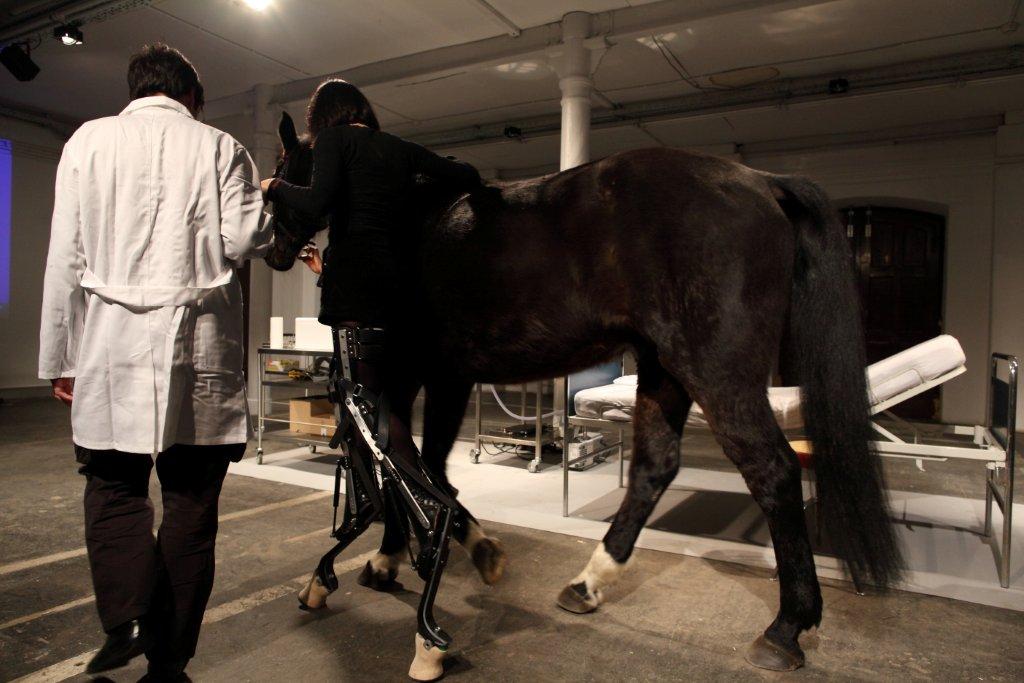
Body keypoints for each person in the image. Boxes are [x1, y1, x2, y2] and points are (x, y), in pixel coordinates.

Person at [38, 44, 272, 681]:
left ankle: (129, 618)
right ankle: (168, 665)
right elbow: (246, 239)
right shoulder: (221, 146)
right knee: (191, 504)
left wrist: (60, 357)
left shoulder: (87, 142)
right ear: (191, 96)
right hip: (200, 344)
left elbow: (65, 256)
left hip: (110, 344)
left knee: (113, 487)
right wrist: (265, 207)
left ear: (136, 89)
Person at [261, 79, 481, 468]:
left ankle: (430, 498)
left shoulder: (333, 140)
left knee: (365, 405)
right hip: (400, 294)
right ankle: (404, 494)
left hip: (355, 292)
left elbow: (317, 202)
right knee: (385, 401)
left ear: (322, 117)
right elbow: (467, 175)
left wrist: (275, 186)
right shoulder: (399, 147)